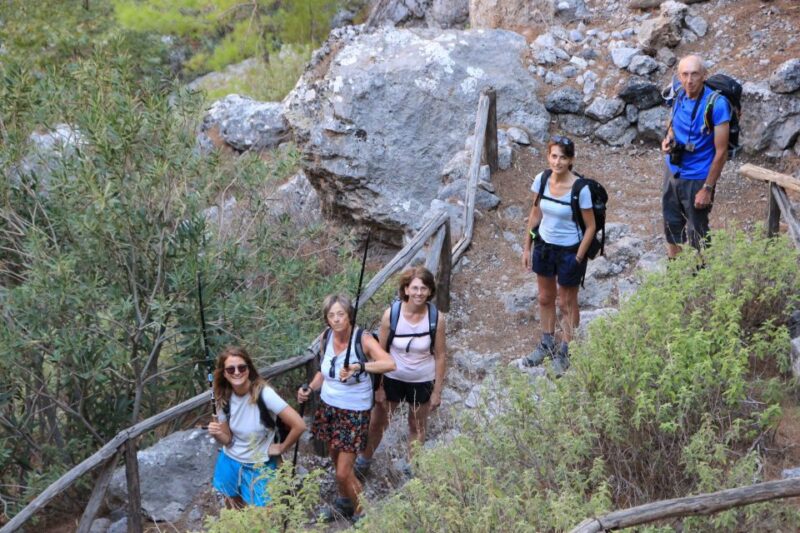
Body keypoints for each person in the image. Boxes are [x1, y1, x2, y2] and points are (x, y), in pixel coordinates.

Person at [296, 293, 396, 521]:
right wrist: (310, 389)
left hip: (354, 411)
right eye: (331, 315)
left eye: (341, 314)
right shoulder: (326, 337)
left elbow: (389, 363)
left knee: (343, 471)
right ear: (326, 319)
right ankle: (344, 502)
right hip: (329, 407)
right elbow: (323, 371)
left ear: (349, 315)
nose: (336, 319)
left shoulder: (362, 339)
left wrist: (360, 367)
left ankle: (364, 513)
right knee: (334, 458)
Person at [355, 266, 447, 477]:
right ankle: (363, 460)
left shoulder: (436, 319)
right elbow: (380, 352)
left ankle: (411, 468)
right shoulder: (391, 315)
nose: (419, 293)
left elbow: (441, 355)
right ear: (405, 289)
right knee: (378, 422)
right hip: (392, 376)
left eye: (424, 288)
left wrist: (437, 391)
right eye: (414, 288)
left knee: (417, 424)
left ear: (430, 291)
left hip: (422, 379)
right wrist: (378, 387)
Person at [521, 135, 596, 375]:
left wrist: (578, 257)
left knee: (566, 302)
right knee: (545, 297)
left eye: (563, 157)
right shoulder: (541, 180)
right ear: (548, 157)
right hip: (544, 246)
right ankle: (546, 343)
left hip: (569, 251)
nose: (558, 161)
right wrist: (527, 247)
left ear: (571, 160)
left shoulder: (580, 189)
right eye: (554, 156)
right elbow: (535, 214)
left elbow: (591, 226)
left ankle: (566, 349)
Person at [208, 346, 307, 509]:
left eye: (242, 367)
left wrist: (282, 447)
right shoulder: (222, 397)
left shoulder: (264, 394)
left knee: (262, 516)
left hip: (260, 464)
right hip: (230, 461)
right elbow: (228, 440)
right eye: (230, 369)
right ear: (224, 373)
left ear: (249, 369)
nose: (237, 372)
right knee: (234, 509)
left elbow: (299, 425)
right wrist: (217, 434)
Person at [661, 54, 731, 258]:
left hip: (698, 176)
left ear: (704, 75)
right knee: (671, 225)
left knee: (697, 232)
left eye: (694, 74)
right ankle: (674, 277)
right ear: (679, 75)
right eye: (684, 74)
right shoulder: (678, 93)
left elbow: (721, 152)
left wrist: (707, 189)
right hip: (673, 170)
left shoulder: (716, 105)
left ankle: (702, 279)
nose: (689, 80)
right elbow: (672, 122)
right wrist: (668, 138)